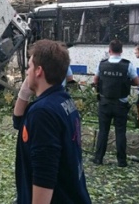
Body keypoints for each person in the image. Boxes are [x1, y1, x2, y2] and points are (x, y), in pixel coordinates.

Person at [15, 40, 90, 204]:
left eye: (29, 67)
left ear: (38, 71)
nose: (27, 71)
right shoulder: (63, 101)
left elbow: (44, 176)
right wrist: (24, 93)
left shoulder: (43, 113)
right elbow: (18, 123)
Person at [92, 39, 139, 167]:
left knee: (103, 131)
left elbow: (95, 80)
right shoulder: (127, 65)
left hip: (104, 103)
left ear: (109, 50)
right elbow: (137, 82)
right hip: (121, 104)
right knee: (120, 132)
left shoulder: (102, 64)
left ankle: (98, 158)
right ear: (121, 51)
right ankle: (122, 161)